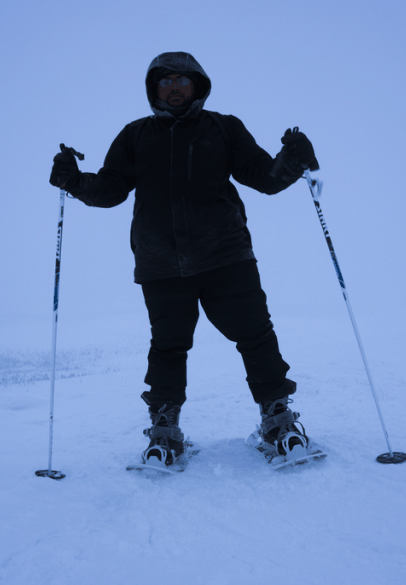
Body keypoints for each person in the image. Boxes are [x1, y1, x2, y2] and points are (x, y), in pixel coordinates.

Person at [49, 51, 319, 468]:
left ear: (197, 86)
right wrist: (74, 181)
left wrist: (292, 160)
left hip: (226, 255)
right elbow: (110, 189)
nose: (173, 88)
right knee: (169, 346)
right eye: (165, 81)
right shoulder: (135, 135)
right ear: (154, 89)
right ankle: (164, 431)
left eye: (182, 80)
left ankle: (278, 420)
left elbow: (263, 176)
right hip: (160, 262)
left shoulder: (224, 128)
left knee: (255, 335)